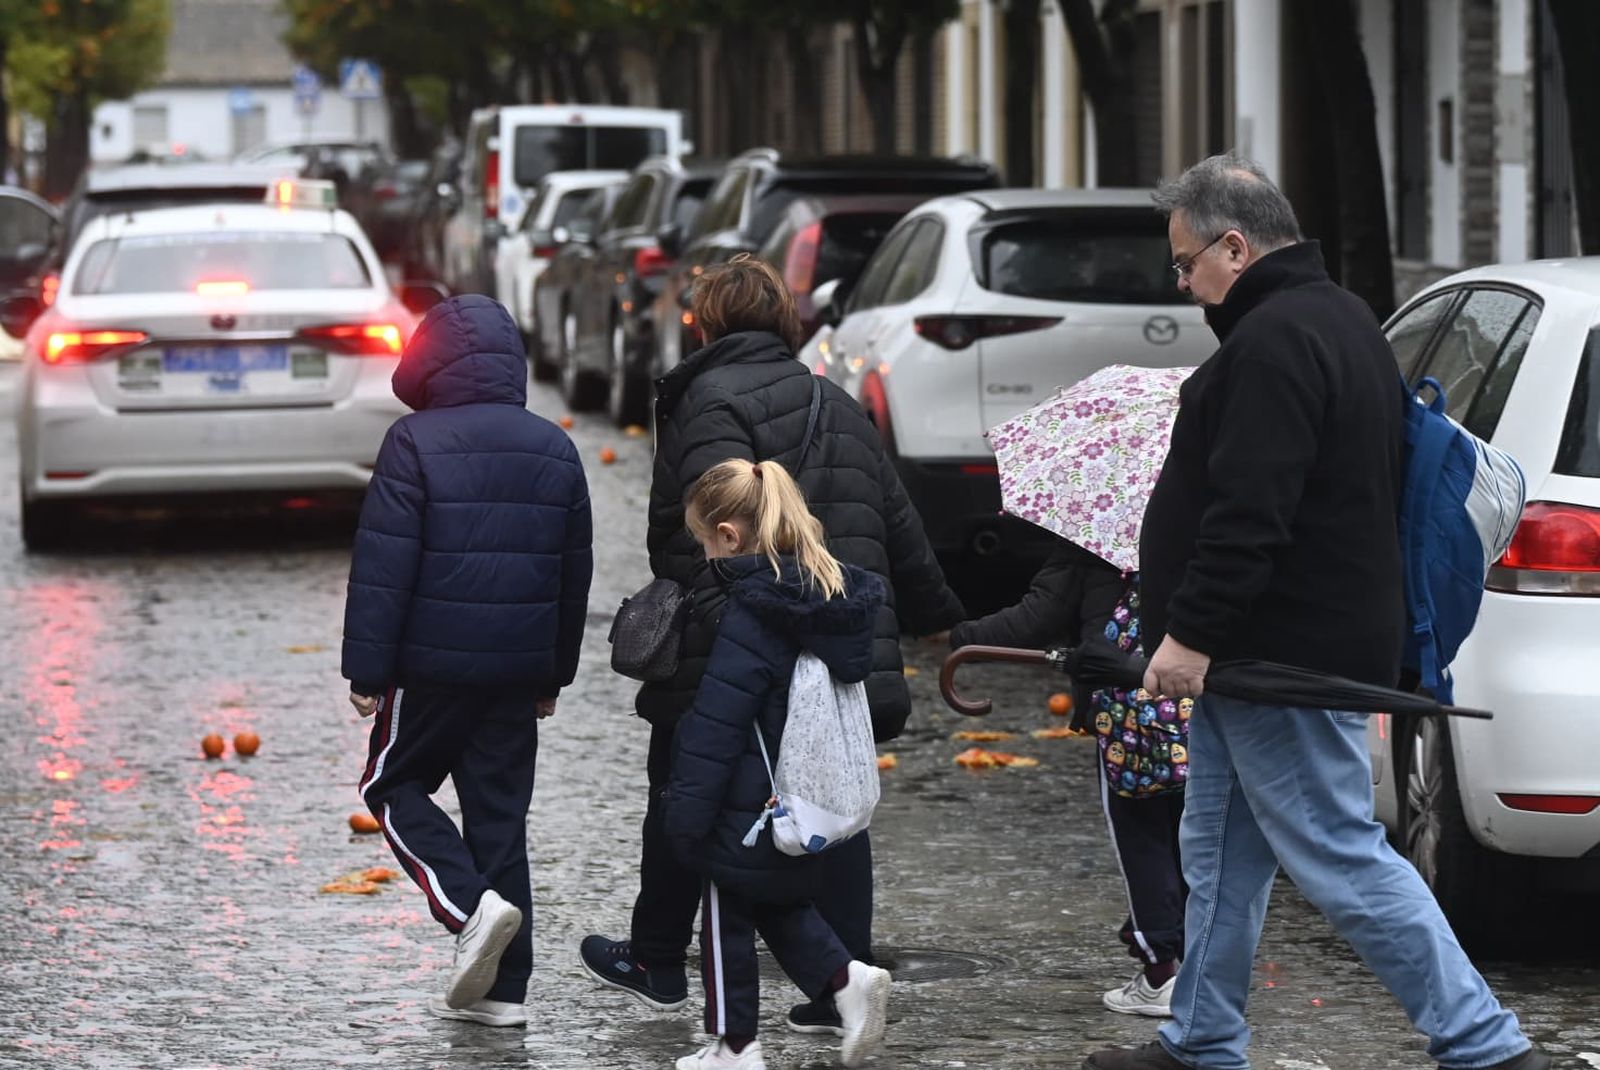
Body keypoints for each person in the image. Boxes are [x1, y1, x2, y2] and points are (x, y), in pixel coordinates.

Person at [1086, 155, 1548, 1070]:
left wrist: (1190, 635)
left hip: (1279, 658)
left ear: (1234, 246)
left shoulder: (1276, 341)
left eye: (1186, 264)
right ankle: (1200, 1037)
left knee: (1339, 851)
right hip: (1272, 654)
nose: (1182, 284)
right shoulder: (1338, 318)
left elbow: (1251, 514)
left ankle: (1488, 1046)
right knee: (1218, 851)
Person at [580, 255, 964, 1035]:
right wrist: (943, 620)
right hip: (840, 642)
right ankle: (840, 981)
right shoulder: (837, 402)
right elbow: (898, 525)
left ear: (708, 324)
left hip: (743, 644)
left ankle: (659, 959)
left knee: (688, 789)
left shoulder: (708, 402)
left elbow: (702, 535)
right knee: (832, 797)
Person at [342, 295, 593, 1029]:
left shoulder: (412, 442)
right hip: (517, 673)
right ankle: (503, 994)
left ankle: (468, 906)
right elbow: (571, 576)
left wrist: (367, 672)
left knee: (390, 783)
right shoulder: (555, 447)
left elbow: (385, 565)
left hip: (430, 671)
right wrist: (554, 675)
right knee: (500, 820)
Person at [665, 457, 893, 1070]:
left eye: (704, 542)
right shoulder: (827, 594)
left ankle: (734, 1045)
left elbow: (720, 720)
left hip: (748, 796)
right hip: (797, 791)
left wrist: (687, 812)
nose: (705, 556)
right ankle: (846, 981)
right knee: (774, 903)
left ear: (729, 536)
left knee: (723, 914)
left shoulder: (755, 609)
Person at [951, 543, 1187, 1017]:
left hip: (1127, 717)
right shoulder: (1201, 523)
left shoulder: (1095, 535)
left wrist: (958, 635)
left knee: (1140, 839)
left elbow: (1037, 616)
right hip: (1199, 708)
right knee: (1196, 841)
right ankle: (1202, 968)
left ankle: (1162, 972)